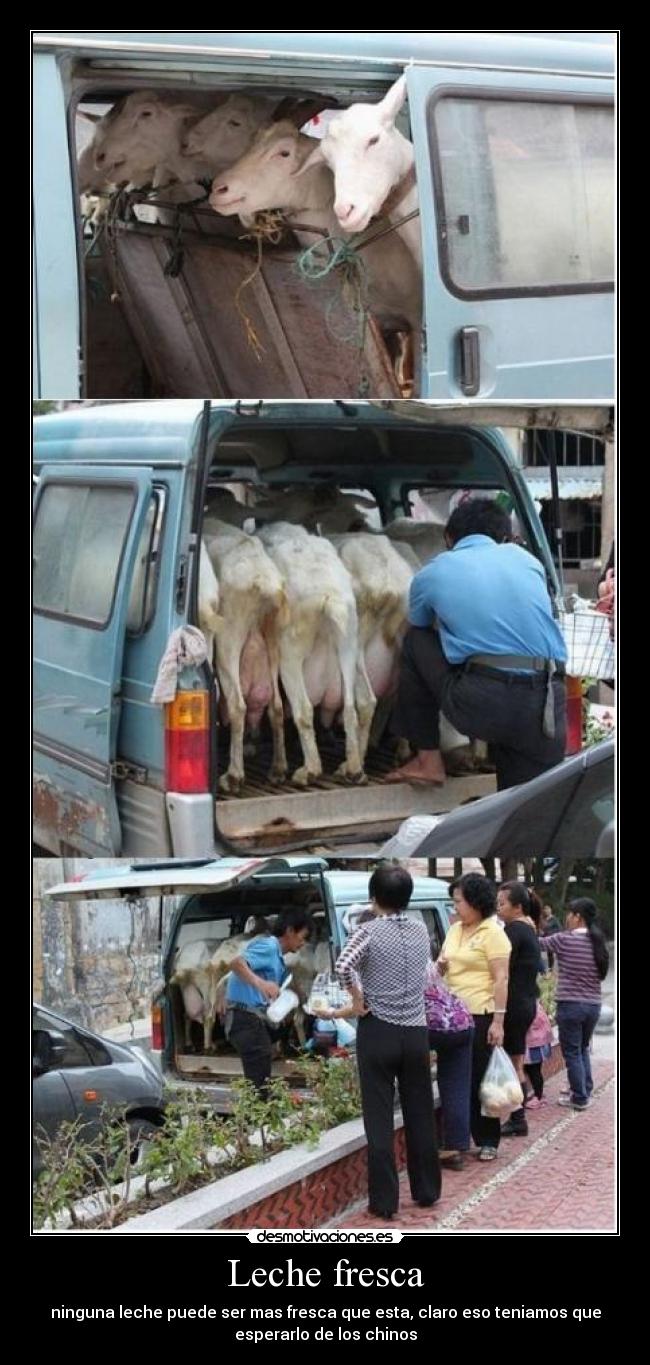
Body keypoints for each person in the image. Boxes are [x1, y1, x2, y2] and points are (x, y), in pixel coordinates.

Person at [385, 498, 567, 791]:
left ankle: (428, 760)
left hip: (484, 705)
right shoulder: (529, 562)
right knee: (525, 807)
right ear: (505, 537)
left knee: (416, 640)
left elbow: (419, 623)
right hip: (547, 706)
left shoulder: (432, 572)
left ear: (449, 537)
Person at [334, 864, 441, 1221]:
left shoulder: (367, 931)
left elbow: (343, 965)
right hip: (415, 1032)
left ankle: (385, 1202)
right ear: (407, 897)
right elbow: (428, 975)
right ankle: (426, 1191)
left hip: (377, 1029)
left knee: (379, 1117)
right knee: (420, 1112)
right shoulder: (419, 929)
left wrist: (357, 998)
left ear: (374, 895)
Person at [437, 873, 511, 1162]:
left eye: (458, 901)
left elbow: (501, 979)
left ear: (476, 902)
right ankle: (459, 1138)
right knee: (457, 1079)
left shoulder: (493, 933)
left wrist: (498, 1021)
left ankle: (489, 1138)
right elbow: (441, 966)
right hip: (452, 1017)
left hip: (481, 1014)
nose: (455, 907)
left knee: (482, 1078)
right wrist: (440, 968)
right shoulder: (455, 930)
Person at [225, 909, 312, 1095]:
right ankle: (257, 1117)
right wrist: (261, 983)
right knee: (259, 1078)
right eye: (302, 936)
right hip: (244, 1018)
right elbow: (236, 963)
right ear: (289, 931)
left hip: (255, 1019)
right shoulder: (269, 946)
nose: (303, 943)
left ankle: (258, 1111)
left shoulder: (279, 959)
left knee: (262, 1067)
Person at [537, 898, 609, 1110]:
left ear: (578, 917)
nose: (566, 918)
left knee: (572, 1052)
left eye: (569, 914)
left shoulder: (564, 939)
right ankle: (585, 1087)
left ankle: (579, 1097)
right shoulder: (597, 941)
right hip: (593, 1006)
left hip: (570, 1006)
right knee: (582, 1048)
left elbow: (538, 944)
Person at [496, 882, 544, 1137]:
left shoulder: (514, 931)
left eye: (502, 904)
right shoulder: (528, 929)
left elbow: (501, 971)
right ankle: (517, 1116)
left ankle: (518, 1118)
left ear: (517, 907)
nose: (498, 908)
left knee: (514, 1063)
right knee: (517, 1061)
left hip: (514, 1007)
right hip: (524, 1004)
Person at [424, 960, 474, 1171]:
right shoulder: (423, 955)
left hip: (430, 1024)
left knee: (416, 1082)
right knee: (457, 1084)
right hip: (460, 1022)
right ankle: (455, 1147)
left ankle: (426, 1147)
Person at [522, 1001, 554, 1109]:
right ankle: (538, 1094)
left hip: (533, 1044)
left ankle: (538, 1097)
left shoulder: (527, 1005)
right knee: (534, 1070)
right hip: (538, 1042)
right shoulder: (535, 1002)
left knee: (533, 1071)